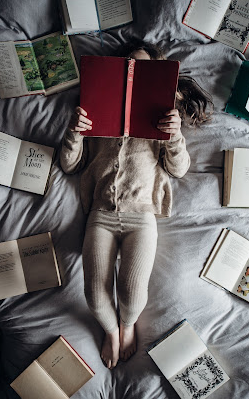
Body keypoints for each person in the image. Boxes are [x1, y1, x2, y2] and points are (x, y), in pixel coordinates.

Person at [60, 40, 213, 369]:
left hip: (142, 216)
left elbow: (179, 169)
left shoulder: (162, 115)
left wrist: (174, 134)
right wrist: (75, 132)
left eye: (142, 68)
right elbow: (70, 165)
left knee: (130, 294)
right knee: (94, 294)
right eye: (129, 65)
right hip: (100, 215)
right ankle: (112, 331)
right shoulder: (99, 110)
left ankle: (127, 325)